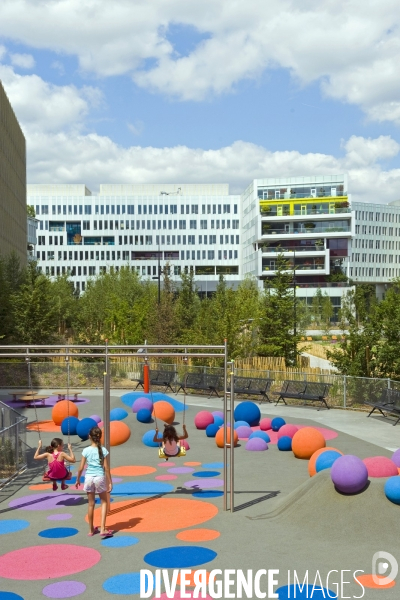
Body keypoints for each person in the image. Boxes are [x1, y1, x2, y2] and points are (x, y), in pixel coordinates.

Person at [75, 426, 113, 538]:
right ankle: (103, 528)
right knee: (104, 502)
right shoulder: (103, 450)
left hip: (89, 478)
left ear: (89, 437)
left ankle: (91, 530)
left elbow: (81, 467)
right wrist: (110, 482)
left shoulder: (86, 450)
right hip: (99, 478)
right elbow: (106, 468)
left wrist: (77, 479)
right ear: (100, 437)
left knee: (91, 504)